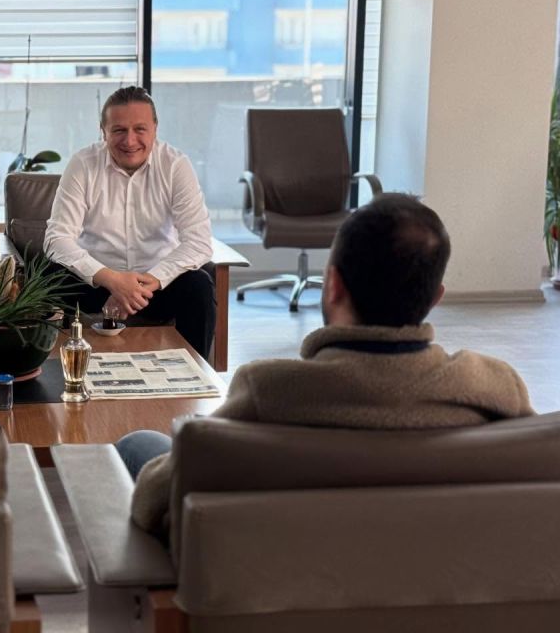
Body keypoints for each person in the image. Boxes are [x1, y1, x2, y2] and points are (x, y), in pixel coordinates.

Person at [121, 193, 535, 538]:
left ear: (333, 285)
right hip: (446, 576)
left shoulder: (270, 390)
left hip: (280, 575)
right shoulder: (494, 387)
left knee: (140, 444)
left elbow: (153, 501)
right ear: (435, 297)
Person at [44, 86, 215, 357]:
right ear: (103, 131)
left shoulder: (175, 165)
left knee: (199, 285)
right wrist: (113, 280)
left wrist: (145, 284)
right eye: (119, 130)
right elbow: (56, 240)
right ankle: (52, 371)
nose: (130, 140)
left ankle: (195, 374)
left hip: (156, 286)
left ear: (155, 128)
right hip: (97, 283)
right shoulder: (83, 164)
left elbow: (199, 242)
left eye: (140, 129)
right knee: (48, 276)